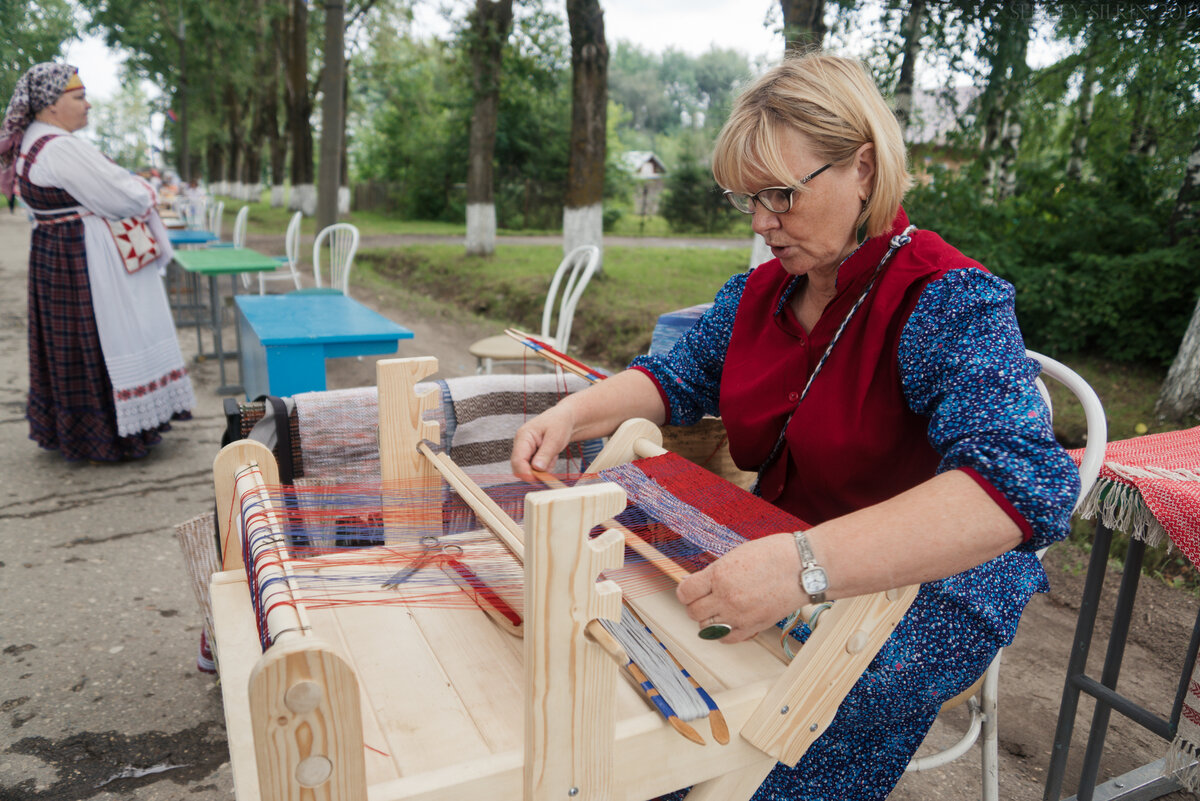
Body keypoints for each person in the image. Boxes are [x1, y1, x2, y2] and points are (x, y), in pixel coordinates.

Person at [511, 53, 1079, 800]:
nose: (760, 222)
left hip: (930, 584)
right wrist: (569, 413)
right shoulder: (760, 295)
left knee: (766, 733)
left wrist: (800, 567)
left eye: (780, 193)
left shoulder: (944, 301)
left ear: (864, 171)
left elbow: (1019, 487)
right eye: (745, 198)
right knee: (645, 654)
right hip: (789, 541)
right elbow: (676, 378)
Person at [0, 63, 195, 462]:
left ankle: (80, 431)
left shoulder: (34, 142)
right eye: (79, 97)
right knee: (103, 336)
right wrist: (143, 188)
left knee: (72, 343)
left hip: (60, 254)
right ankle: (109, 435)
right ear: (51, 106)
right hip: (82, 260)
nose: (88, 105)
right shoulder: (59, 147)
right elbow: (123, 197)